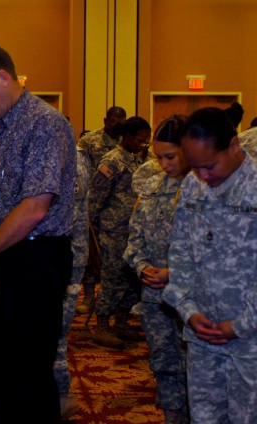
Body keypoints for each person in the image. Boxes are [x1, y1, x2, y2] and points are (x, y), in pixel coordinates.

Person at [0, 42, 76, 423]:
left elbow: (35, 208)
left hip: (35, 260)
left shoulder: (45, 123)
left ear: (3, 76)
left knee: (30, 373)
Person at [162, 107, 257, 423]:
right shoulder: (192, 185)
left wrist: (240, 325)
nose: (203, 175)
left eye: (210, 165)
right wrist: (188, 310)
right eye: (196, 166)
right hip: (202, 340)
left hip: (250, 344)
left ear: (234, 146)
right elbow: (180, 253)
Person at [123, 115, 190, 423]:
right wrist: (141, 267)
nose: (163, 164)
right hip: (154, 299)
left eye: (170, 156)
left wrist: (172, 273)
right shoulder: (150, 187)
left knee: (196, 368)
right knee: (164, 364)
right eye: (157, 157)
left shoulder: (203, 189)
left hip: (191, 299)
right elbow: (134, 238)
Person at [90, 116, 150, 349]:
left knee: (131, 278)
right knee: (112, 278)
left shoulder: (134, 160)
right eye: (141, 140)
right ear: (128, 136)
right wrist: (93, 225)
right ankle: (102, 326)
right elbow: (96, 195)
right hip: (113, 230)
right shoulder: (112, 160)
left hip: (131, 229)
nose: (143, 145)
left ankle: (122, 323)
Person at [75, 106, 127, 316]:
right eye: (113, 121)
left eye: (121, 122)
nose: (117, 125)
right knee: (89, 255)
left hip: (115, 210)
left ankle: (111, 301)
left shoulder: (126, 143)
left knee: (112, 259)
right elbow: (80, 172)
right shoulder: (89, 141)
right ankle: (88, 295)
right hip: (90, 206)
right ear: (106, 120)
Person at [54, 144, 91, 419]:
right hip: (49, 256)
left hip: (67, 257)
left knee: (56, 332)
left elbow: (66, 211)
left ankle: (60, 397)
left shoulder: (72, 158)